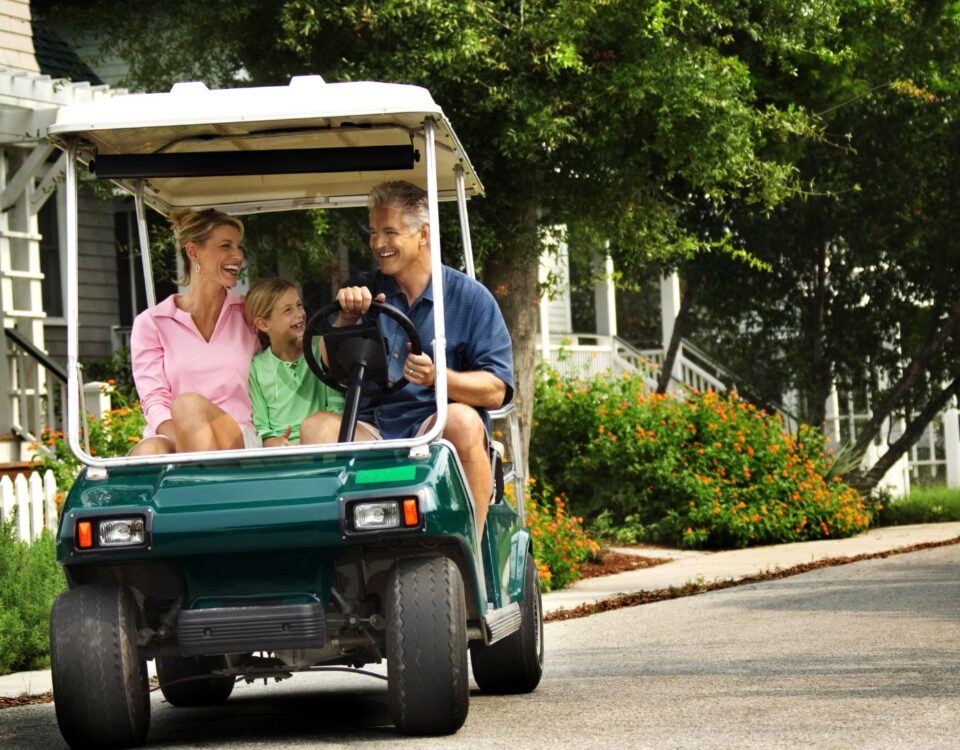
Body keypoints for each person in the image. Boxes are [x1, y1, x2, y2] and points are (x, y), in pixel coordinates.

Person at [300, 181, 513, 532]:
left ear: (423, 234)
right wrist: (346, 318)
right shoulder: (364, 290)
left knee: (462, 420)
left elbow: (496, 390)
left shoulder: (470, 298)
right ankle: (335, 552)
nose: (378, 244)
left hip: (434, 427)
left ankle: (470, 548)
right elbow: (328, 366)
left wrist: (438, 378)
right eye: (373, 232)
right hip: (374, 429)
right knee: (316, 427)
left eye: (390, 232)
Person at [129, 208, 260, 454]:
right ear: (193, 252)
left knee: (188, 404)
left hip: (238, 436)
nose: (238, 255)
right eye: (226, 246)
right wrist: (189, 440)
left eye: (239, 247)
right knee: (148, 452)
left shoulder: (249, 312)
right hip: (177, 437)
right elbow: (154, 401)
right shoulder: (152, 323)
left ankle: (196, 483)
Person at [245, 278, 345, 446]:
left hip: (323, 442)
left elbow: (336, 408)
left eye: (299, 305)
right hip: (282, 454)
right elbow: (262, 428)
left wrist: (309, 439)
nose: (300, 314)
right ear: (263, 324)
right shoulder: (257, 367)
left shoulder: (320, 348)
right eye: (288, 310)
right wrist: (274, 443)